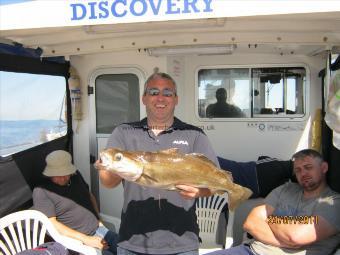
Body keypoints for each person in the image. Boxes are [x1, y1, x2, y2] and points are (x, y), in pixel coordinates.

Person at [96, 72, 219, 255]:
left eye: (167, 93)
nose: (160, 98)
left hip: (182, 242)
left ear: (176, 99)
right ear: (144, 98)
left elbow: (215, 184)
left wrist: (199, 192)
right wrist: (112, 167)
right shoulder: (124, 132)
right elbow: (107, 182)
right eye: (153, 92)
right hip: (132, 241)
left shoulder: (195, 135)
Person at [206, 149, 340, 255]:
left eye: (308, 167)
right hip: (251, 250)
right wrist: (285, 240)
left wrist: (269, 219)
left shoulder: (332, 202)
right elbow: (250, 222)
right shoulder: (286, 189)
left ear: (323, 167)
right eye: (298, 170)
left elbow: (295, 237)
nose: (303, 173)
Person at [33, 150, 118, 255]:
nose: (63, 177)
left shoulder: (75, 175)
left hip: (99, 229)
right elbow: (52, 223)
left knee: (128, 249)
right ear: (50, 173)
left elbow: (90, 196)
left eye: (66, 173)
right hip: (78, 241)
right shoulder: (41, 191)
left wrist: (99, 220)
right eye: (58, 175)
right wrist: (86, 239)